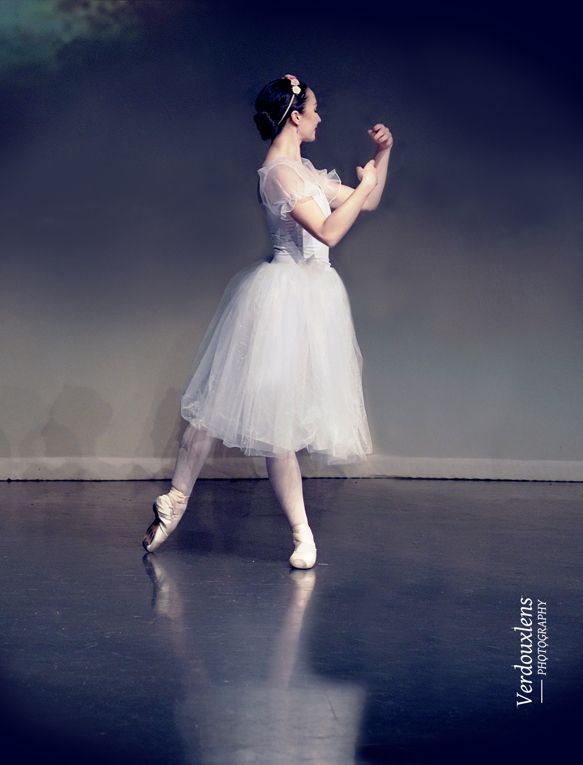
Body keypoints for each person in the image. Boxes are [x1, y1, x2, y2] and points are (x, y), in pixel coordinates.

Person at [142, 74, 393, 569]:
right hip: (280, 298)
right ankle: (178, 499)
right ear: (295, 117)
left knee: (279, 424)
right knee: (219, 406)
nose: (320, 117)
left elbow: (368, 201)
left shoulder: (304, 171)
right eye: (314, 109)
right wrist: (364, 183)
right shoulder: (278, 174)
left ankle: (299, 534)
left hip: (314, 300)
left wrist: (382, 157)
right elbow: (328, 231)